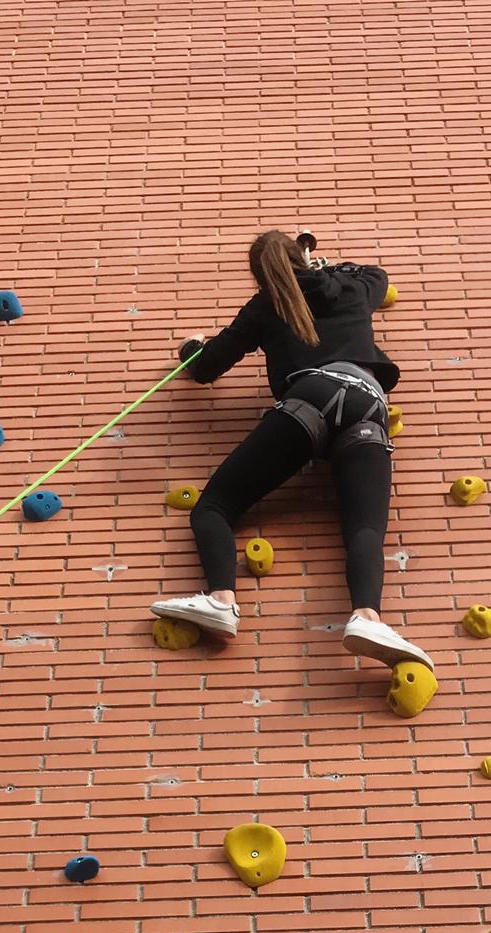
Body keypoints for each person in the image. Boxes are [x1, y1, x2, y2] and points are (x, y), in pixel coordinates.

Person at [151, 230, 430, 670]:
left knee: (214, 507)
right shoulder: (350, 287)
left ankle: (221, 600)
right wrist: (329, 268)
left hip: (310, 399)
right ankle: (367, 617)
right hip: (367, 405)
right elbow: (377, 277)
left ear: (260, 275)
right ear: (302, 256)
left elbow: (205, 367)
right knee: (365, 529)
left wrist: (190, 348)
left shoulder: (266, 305)